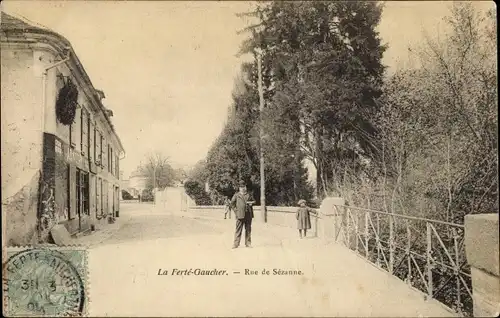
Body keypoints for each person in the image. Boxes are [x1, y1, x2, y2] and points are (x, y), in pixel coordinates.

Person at [231, 180, 255, 248]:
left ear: (246, 187)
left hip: (248, 214)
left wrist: (251, 203)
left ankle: (248, 243)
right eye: (241, 187)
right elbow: (232, 204)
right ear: (239, 188)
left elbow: (254, 201)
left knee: (248, 229)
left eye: (244, 186)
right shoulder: (236, 195)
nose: (243, 188)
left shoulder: (249, 194)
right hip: (240, 215)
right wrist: (236, 211)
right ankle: (236, 244)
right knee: (238, 229)